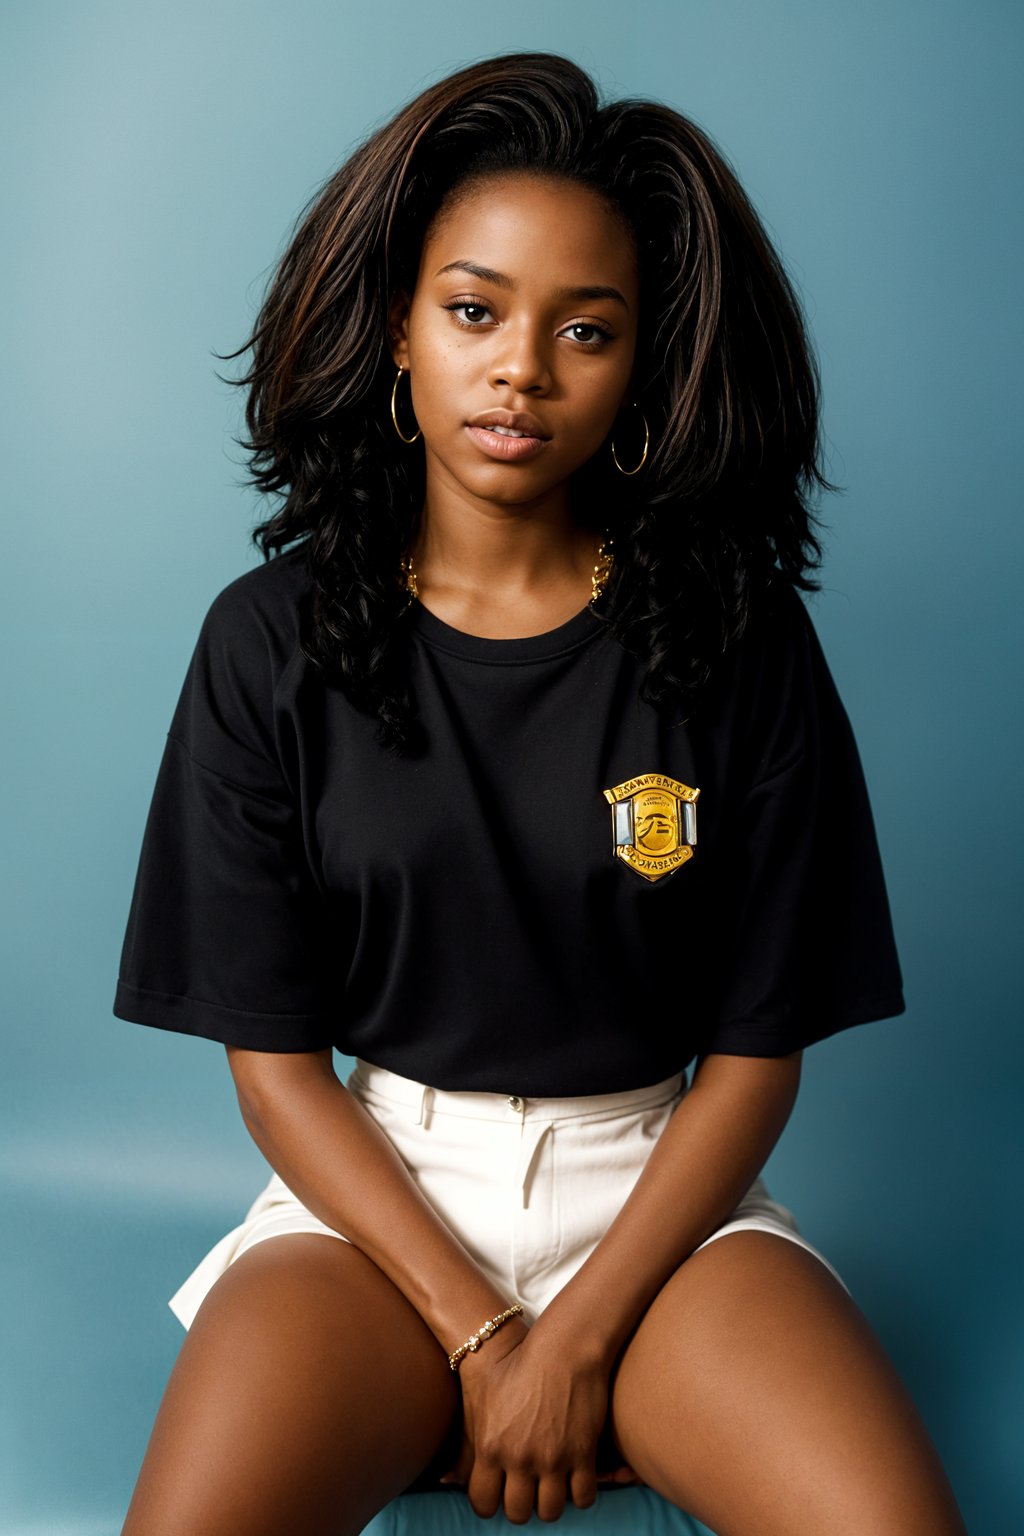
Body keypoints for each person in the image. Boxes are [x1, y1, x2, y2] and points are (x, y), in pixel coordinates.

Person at [112, 51, 967, 1536]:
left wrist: (574, 1342)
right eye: (474, 311)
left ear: (642, 365)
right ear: (398, 328)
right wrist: (483, 1335)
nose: (523, 368)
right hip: (372, 1201)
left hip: (656, 1205)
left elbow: (754, 1062)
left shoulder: (739, 640)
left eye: (587, 329)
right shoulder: (269, 640)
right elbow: (276, 1068)